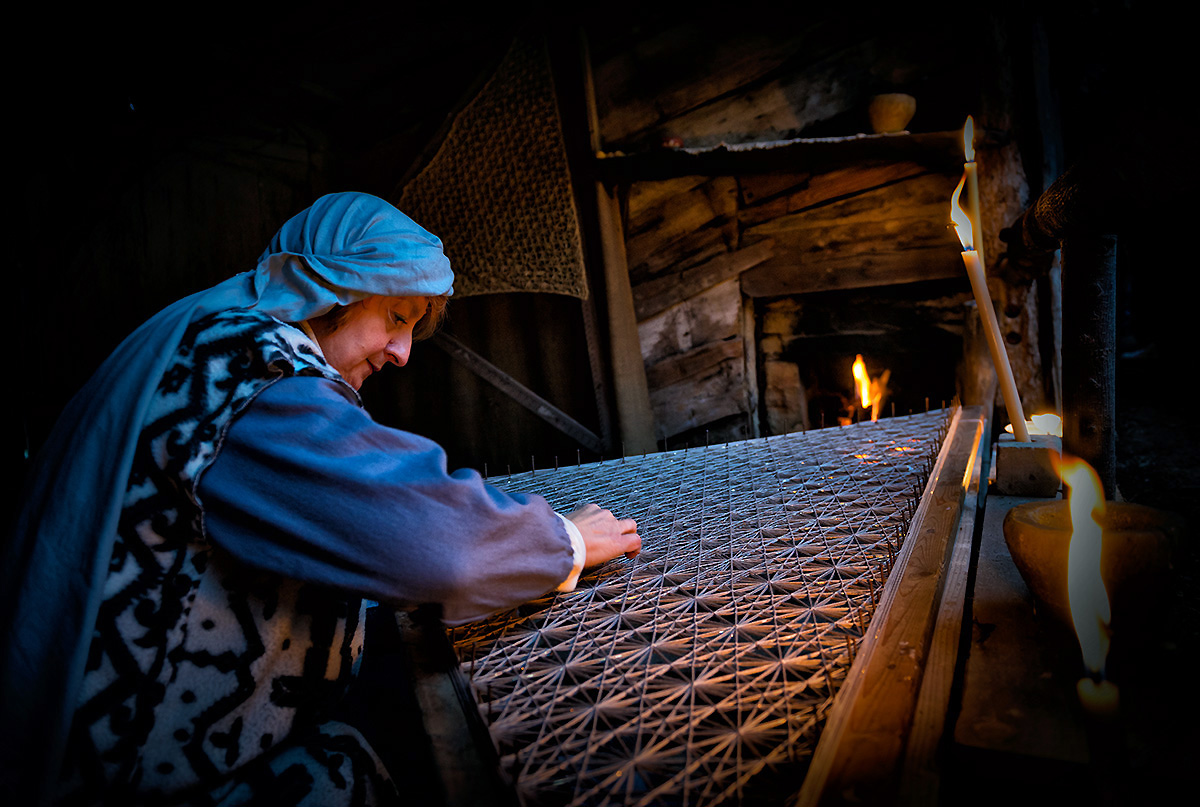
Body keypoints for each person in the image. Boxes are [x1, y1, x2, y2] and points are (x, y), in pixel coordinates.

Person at [1, 192, 641, 806]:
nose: (402, 354)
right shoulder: (247, 373)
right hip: (135, 774)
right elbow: (434, 544)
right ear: (326, 291)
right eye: (395, 317)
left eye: (413, 327)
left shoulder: (196, 331)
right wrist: (568, 541)